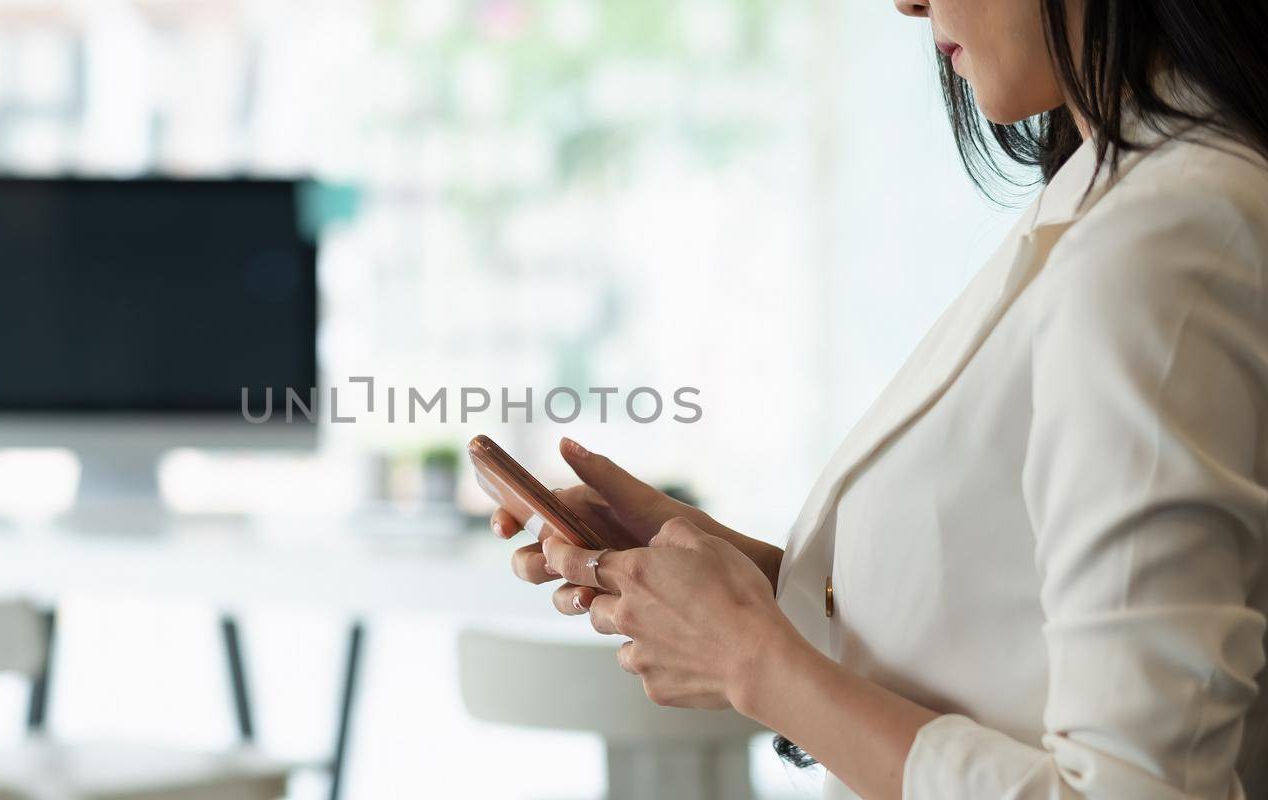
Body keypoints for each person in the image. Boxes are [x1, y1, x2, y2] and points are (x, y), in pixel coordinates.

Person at [491, 0, 1268, 797]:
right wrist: (750, 595)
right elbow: (1005, 616)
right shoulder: (1122, 198)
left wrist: (754, 663)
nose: (907, 1)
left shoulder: (1158, 241)